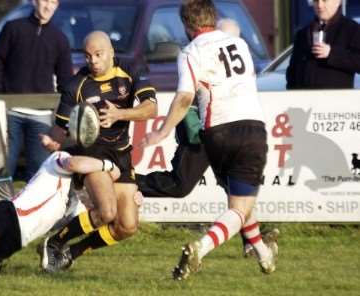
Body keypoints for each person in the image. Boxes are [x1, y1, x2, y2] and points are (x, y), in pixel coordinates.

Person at [141, 0, 278, 280]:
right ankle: (200, 248)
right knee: (239, 208)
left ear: (187, 26)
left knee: (238, 201)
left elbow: (184, 96)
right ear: (214, 18)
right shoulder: (239, 44)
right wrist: (165, 130)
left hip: (216, 133)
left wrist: (163, 130)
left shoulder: (191, 51)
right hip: (250, 128)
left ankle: (264, 256)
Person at [38, 31, 157, 273]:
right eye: (88, 56)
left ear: (111, 52)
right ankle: (56, 241)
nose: (92, 61)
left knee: (127, 225)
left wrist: (119, 114)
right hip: (94, 155)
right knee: (107, 212)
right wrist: (53, 142)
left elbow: (151, 109)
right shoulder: (76, 85)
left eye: (98, 55)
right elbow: (61, 127)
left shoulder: (131, 70)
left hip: (122, 155)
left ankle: (73, 251)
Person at [0, 0, 73, 182]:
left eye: (54, 2)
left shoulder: (60, 39)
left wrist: (61, 119)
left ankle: (29, 210)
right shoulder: (13, 28)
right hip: (9, 113)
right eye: (45, 0)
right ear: (35, 1)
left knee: (38, 174)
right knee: (3, 171)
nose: (48, 6)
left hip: (41, 116)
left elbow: (66, 82)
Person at [286, 0, 360, 89]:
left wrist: (331, 53)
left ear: (338, 2)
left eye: (325, 1)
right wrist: (292, 94)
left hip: (335, 100)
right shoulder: (303, 33)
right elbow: (292, 71)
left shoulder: (352, 30)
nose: (320, 5)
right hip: (304, 100)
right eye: (316, 1)